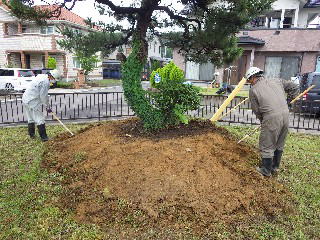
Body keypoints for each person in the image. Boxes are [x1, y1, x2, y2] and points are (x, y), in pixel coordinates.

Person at [245, 67, 299, 177]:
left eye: (249, 80)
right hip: (285, 114)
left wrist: (263, 122)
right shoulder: (276, 80)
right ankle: (275, 167)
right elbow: (295, 87)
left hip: (271, 117)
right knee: (279, 142)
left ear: (253, 77)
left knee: (267, 143)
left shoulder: (253, 90)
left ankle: (266, 170)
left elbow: (257, 110)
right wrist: (289, 101)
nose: (249, 83)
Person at [22, 72, 56, 141]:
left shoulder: (41, 76)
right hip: (32, 101)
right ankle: (44, 138)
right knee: (40, 119)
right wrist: (48, 106)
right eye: (54, 79)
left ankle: (31, 135)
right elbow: (43, 96)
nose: (54, 81)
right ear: (51, 76)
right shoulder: (45, 82)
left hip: (25, 98)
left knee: (30, 118)